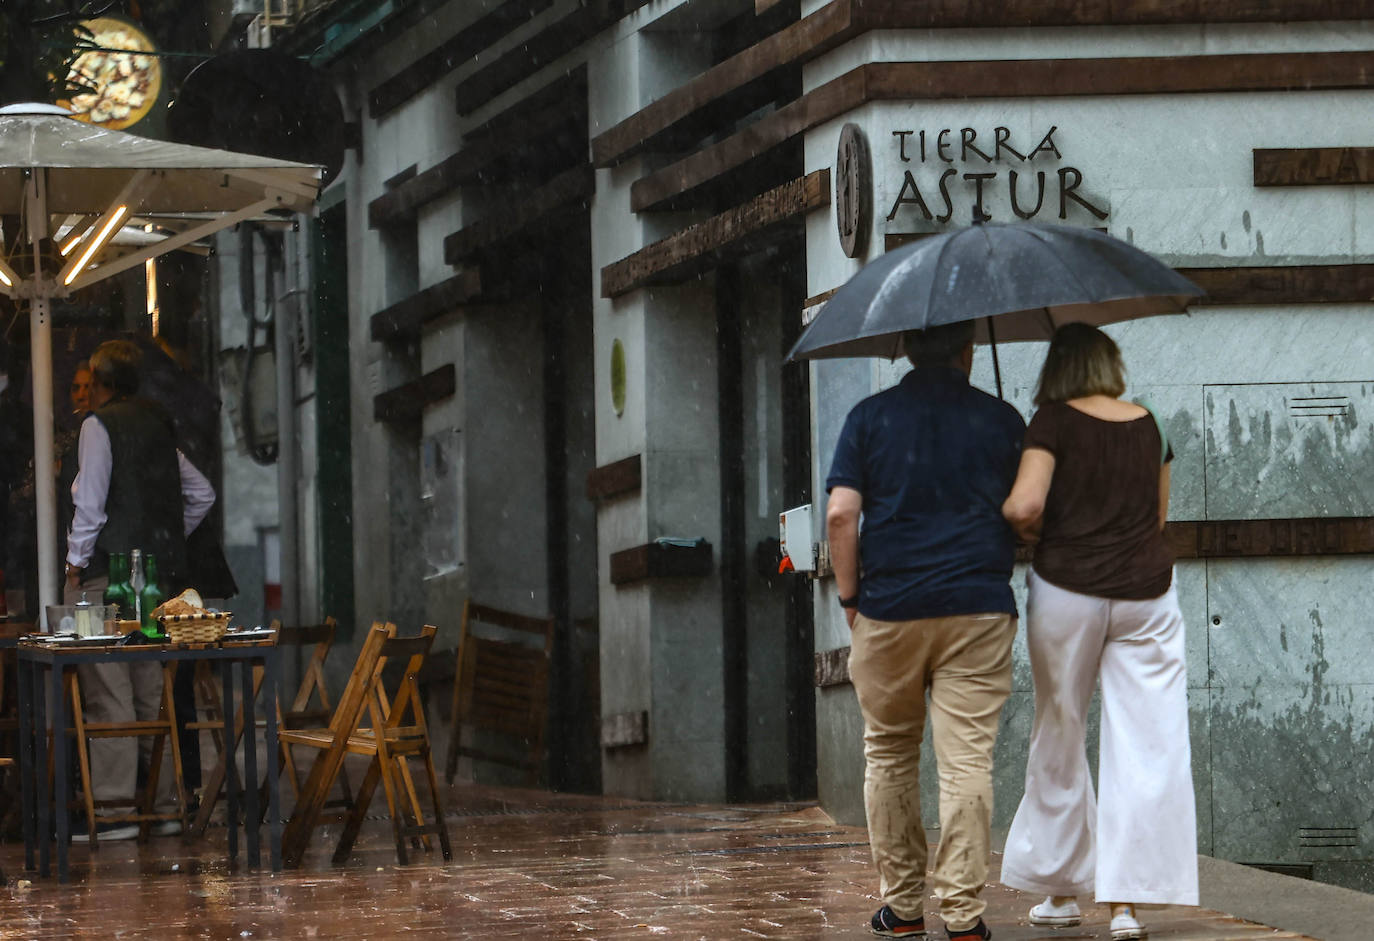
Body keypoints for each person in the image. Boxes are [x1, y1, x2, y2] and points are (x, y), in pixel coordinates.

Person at [826, 321, 1025, 941]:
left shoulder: (868, 417)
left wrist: (852, 599)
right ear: (969, 350)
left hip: (889, 608)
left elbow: (839, 514)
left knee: (889, 752)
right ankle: (964, 918)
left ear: (906, 349)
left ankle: (904, 908)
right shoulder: (1003, 420)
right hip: (978, 606)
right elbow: (1030, 510)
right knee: (966, 761)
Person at [999, 323, 1196, 941]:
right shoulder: (1151, 423)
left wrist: (1014, 518)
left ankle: (1060, 891)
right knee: (1147, 742)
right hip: (1147, 595)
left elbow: (1027, 507)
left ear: (1058, 369)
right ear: (1109, 364)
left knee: (1060, 731)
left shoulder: (1051, 423)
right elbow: (1158, 517)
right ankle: (1126, 906)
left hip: (1068, 592)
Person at [63, 339, 216, 841]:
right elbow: (200, 493)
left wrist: (74, 566)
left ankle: (114, 810)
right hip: (153, 580)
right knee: (151, 691)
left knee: (108, 691)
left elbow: (91, 504)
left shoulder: (97, 425)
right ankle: (167, 804)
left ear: (102, 383)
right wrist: (160, 539)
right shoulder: (158, 424)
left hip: (106, 574)